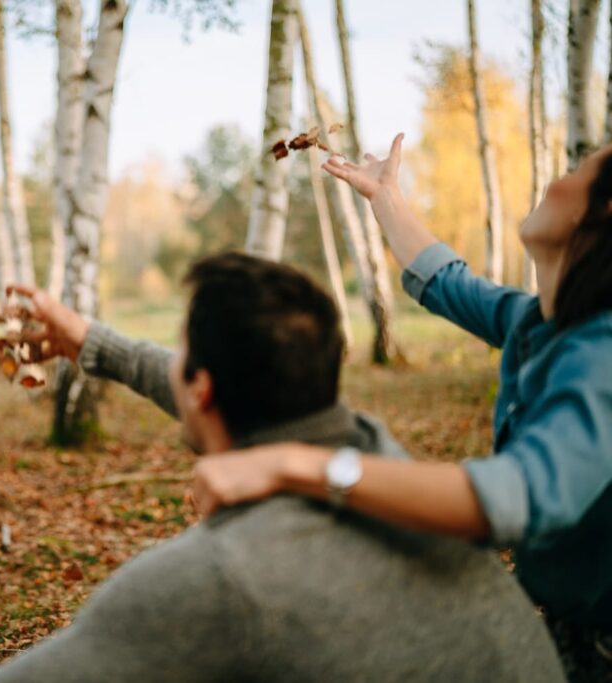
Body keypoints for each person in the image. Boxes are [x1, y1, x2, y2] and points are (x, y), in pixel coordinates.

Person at [0, 253, 563, 682]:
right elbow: (212, 387)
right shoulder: (371, 449)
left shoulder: (221, 576)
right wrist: (90, 340)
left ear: (201, 388)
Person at [191, 135, 612, 679]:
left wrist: (299, 465)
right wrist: (384, 195)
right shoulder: (542, 324)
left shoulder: (602, 354)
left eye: (579, 172)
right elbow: (446, 281)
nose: (558, 178)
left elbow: (516, 494)